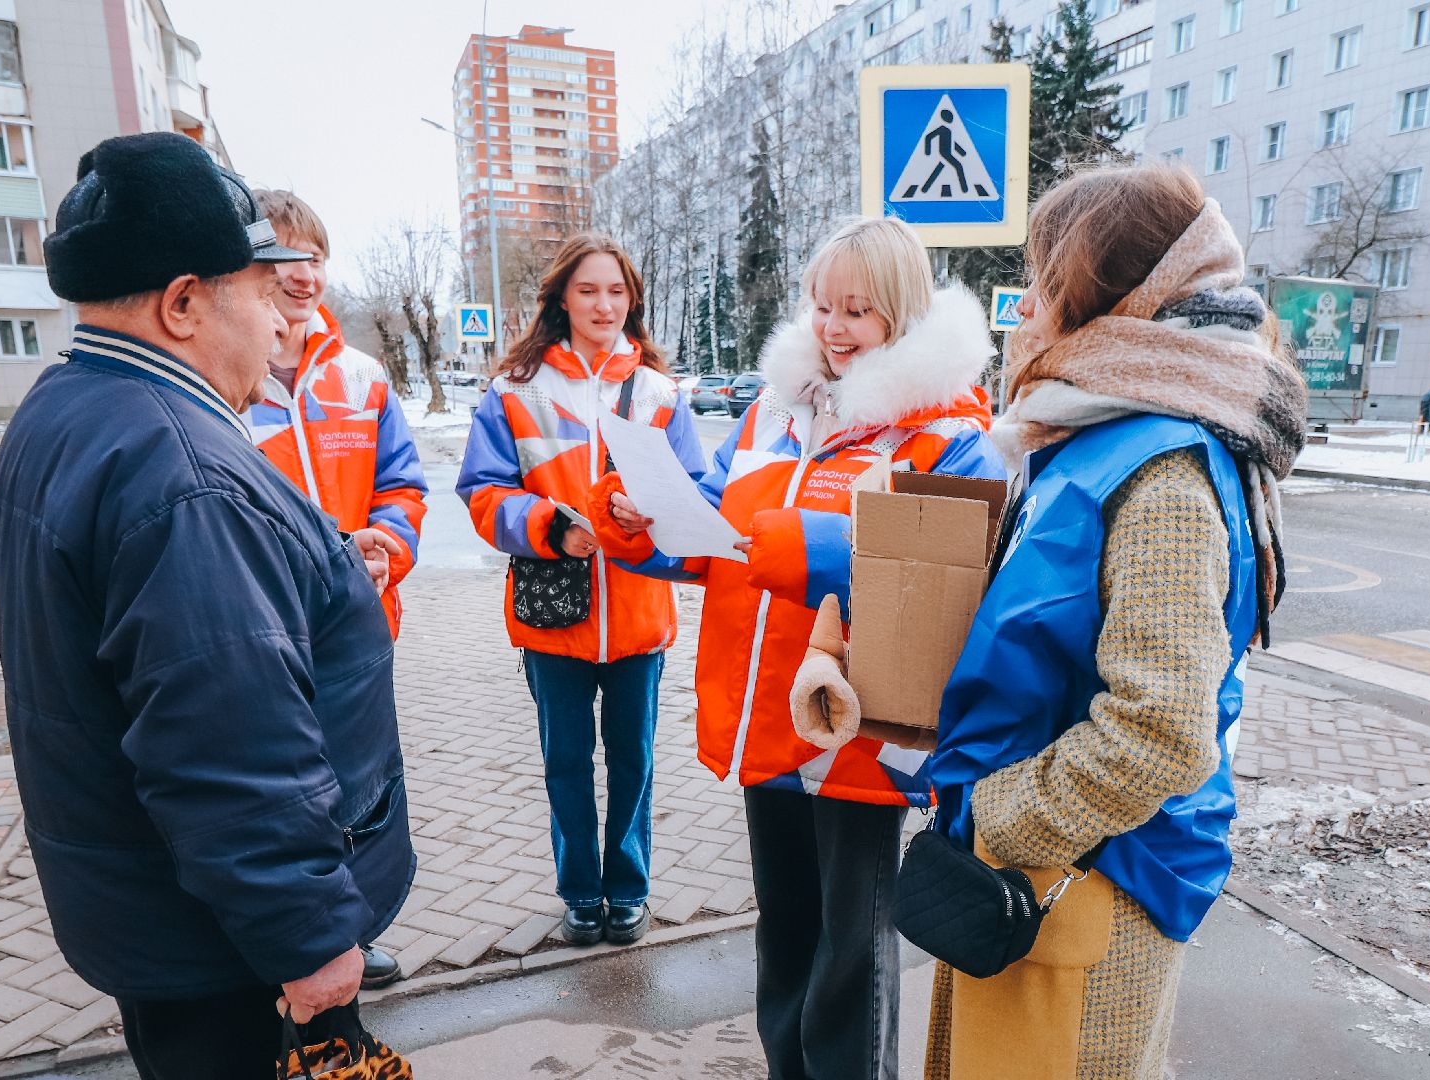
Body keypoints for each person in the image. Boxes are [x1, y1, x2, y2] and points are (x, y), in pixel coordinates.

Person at [0, 132, 415, 1079]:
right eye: (264, 295)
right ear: (184, 303)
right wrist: (312, 942)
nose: (286, 326)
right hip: (230, 947)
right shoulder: (184, 471)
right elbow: (229, 745)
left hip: (162, 910)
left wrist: (309, 572)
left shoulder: (69, 406)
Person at [590, 216, 1006, 1080]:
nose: (834, 327)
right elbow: (719, 527)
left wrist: (807, 552)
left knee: (852, 958)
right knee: (784, 937)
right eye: (823, 305)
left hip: (857, 732)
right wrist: (640, 523)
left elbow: (945, 578)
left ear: (902, 313)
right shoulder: (775, 412)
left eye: (858, 310)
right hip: (768, 727)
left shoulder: (950, 432)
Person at [922, 163, 1308, 1079]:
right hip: (1046, 875)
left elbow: (1159, 730)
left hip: (1086, 881)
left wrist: (1004, 819)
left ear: (1109, 296)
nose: (1025, 310)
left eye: (1044, 283)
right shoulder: (1097, 429)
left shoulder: (1161, 464)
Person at [456, 233, 704, 947]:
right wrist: (548, 525)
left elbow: (693, 496)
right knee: (566, 763)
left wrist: (648, 515)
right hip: (552, 617)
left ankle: (627, 889)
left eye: (617, 291)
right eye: (589, 290)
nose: (604, 304)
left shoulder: (660, 394)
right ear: (562, 296)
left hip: (639, 616)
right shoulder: (516, 389)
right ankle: (580, 892)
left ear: (633, 300)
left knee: (634, 762)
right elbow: (480, 492)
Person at [240, 191, 427, 989]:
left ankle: (356, 930)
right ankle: (295, 946)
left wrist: (388, 544)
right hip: (269, 630)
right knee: (288, 796)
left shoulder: (363, 376)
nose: (303, 273)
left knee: (362, 788)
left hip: (359, 626)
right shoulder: (229, 380)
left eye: (313, 254)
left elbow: (404, 486)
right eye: (283, 256)